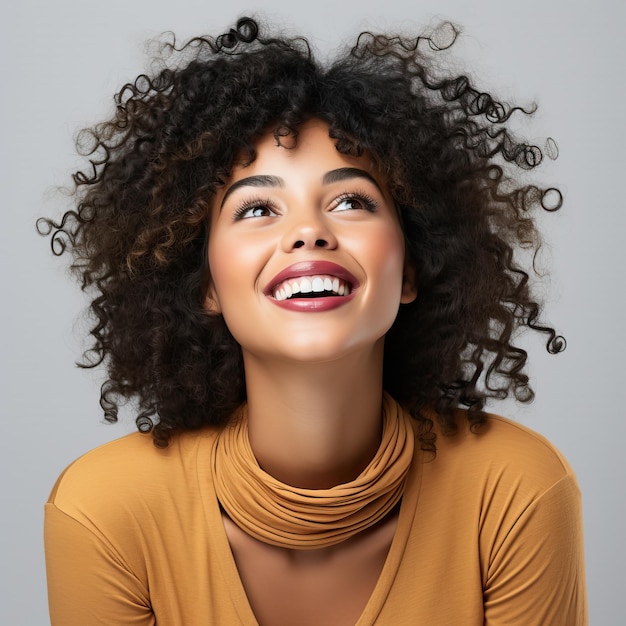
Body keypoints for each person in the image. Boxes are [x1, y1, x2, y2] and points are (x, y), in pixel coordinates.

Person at [40, 16, 587, 625]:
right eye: (257, 207)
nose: (308, 232)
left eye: (351, 200)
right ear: (205, 286)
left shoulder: (515, 492)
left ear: (410, 271)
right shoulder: (107, 510)